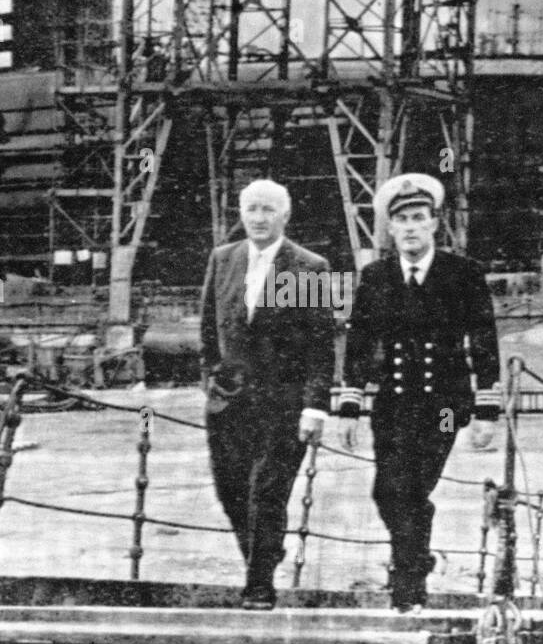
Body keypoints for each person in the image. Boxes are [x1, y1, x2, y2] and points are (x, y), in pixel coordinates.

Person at [337, 173, 501, 612]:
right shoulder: (376, 276)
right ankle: (418, 559)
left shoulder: (462, 274)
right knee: (388, 492)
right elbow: (358, 341)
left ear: (434, 224)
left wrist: (487, 409)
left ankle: (407, 587)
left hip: (445, 407)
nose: (410, 227)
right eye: (401, 220)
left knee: (411, 487)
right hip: (392, 404)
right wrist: (350, 404)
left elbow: (483, 340)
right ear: (390, 229)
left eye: (418, 218)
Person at [200, 179, 335, 610]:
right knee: (230, 492)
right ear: (241, 213)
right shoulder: (223, 259)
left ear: (285, 216)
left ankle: (258, 585)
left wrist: (315, 406)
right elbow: (208, 329)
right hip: (228, 400)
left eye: (268, 210)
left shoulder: (309, 267)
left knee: (267, 494)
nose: (258, 218)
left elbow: (320, 344)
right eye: (251, 209)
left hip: (284, 404)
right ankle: (265, 552)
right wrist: (211, 379)